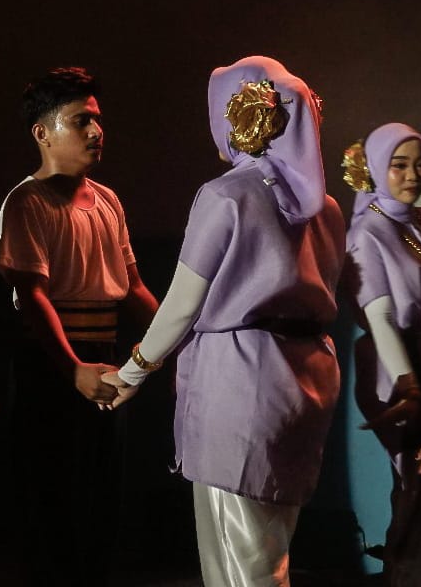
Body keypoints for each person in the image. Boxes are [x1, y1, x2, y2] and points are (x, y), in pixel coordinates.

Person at [100, 55, 344, 587]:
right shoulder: (325, 208)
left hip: (241, 382)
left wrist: (132, 371)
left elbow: (183, 304)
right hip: (306, 383)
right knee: (270, 555)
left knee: (238, 565)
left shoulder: (226, 195)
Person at [0, 66, 159, 586]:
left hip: (104, 358)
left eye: (97, 119)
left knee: (102, 497)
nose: (96, 131)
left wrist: (176, 341)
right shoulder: (27, 202)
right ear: (42, 133)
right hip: (50, 364)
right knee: (53, 502)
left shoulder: (108, 201)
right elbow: (33, 296)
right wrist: (71, 370)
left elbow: (132, 287)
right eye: (80, 120)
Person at [341, 122, 421, 586]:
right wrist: (411, 390)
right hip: (398, 371)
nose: (413, 175)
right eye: (399, 165)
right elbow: (382, 319)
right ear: (376, 167)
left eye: (420, 164)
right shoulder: (367, 233)